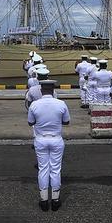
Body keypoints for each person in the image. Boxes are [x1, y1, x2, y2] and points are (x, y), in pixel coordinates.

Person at [28, 79, 71, 211]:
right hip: (56, 139)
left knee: (43, 169)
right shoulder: (61, 103)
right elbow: (66, 121)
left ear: (41, 90)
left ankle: (44, 199)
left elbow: (30, 123)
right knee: (55, 169)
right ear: (53, 90)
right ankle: (56, 199)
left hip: (40, 139)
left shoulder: (34, 105)